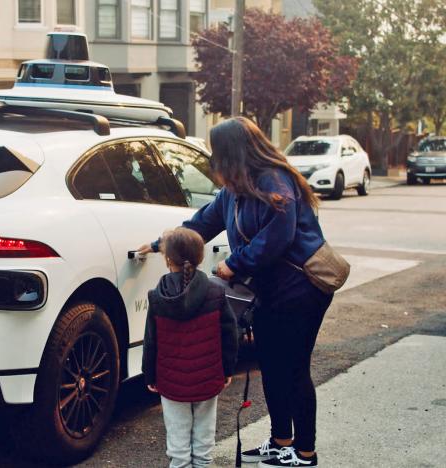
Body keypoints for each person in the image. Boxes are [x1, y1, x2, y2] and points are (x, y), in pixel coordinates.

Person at [138, 117, 333, 467]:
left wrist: (235, 264)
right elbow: (200, 225)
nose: (214, 160)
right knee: (271, 364)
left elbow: (279, 236)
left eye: (217, 152)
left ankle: (305, 452)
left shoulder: (274, 180)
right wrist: (159, 244)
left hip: (301, 288)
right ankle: (280, 440)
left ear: (233, 152)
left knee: (293, 367)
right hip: (272, 291)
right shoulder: (233, 193)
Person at [142, 227, 239, 468]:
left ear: (167, 259)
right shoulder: (216, 292)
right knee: (204, 438)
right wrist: (227, 370)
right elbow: (229, 335)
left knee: (178, 444)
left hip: (171, 381)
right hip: (208, 378)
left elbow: (150, 340)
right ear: (201, 257)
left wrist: (150, 375)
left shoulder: (157, 297)